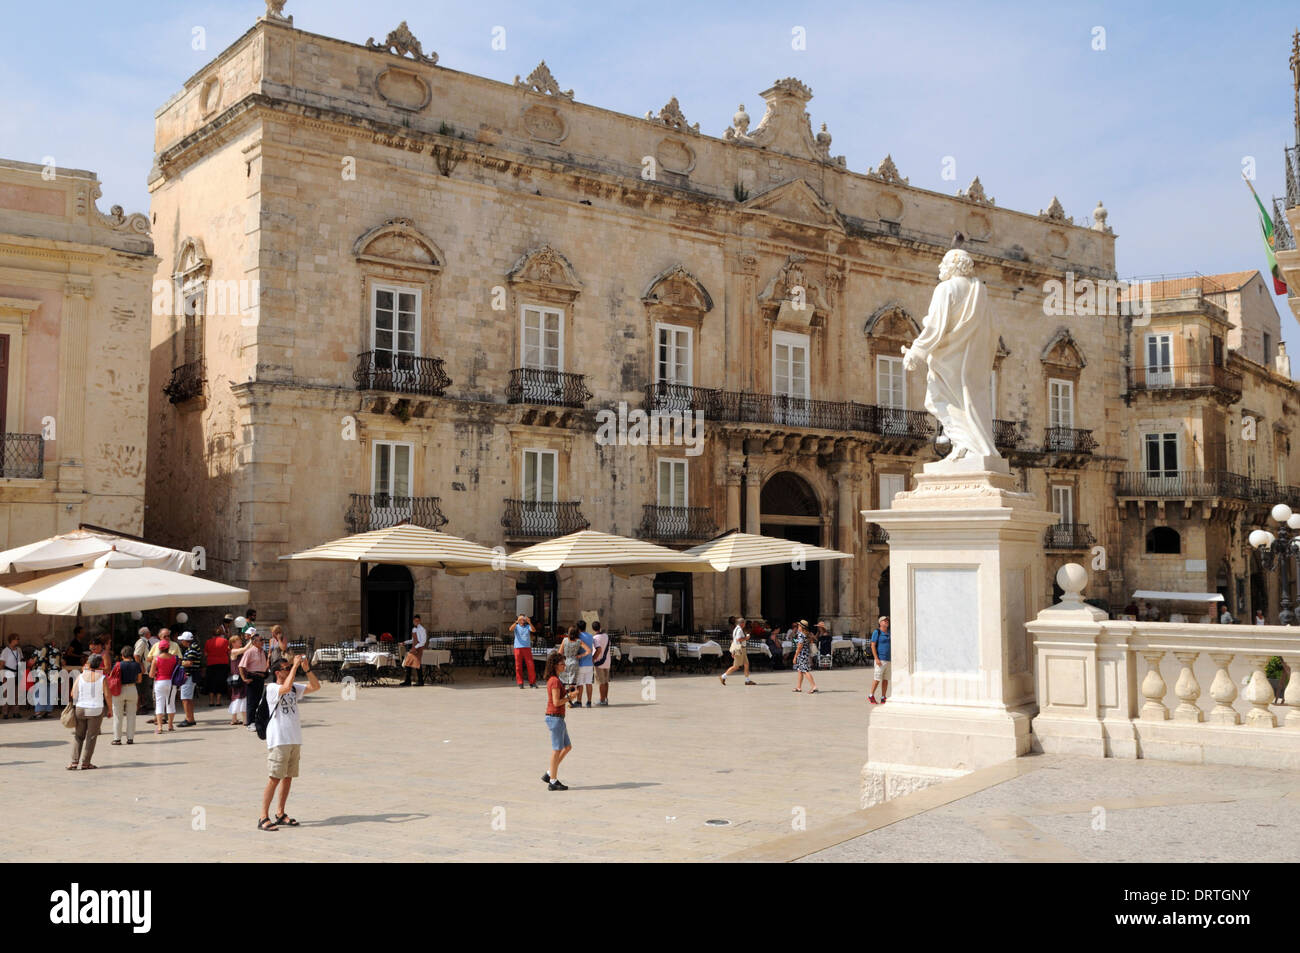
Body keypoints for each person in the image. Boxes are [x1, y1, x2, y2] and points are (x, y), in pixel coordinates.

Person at [258, 654, 321, 831]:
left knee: (287, 777)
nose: (290, 670)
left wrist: (306, 668)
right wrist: (294, 666)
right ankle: (263, 816)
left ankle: (280, 812)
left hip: (294, 738)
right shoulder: (271, 687)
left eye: (290, 668)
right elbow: (284, 688)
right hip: (279, 739)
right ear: (278, 672)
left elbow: (316, 686)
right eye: (286, 668)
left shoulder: (294, 687)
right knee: (274, 777)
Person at [540, 652, 575, 791]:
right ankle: (553, 781)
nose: (564, 666)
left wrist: (567, 692)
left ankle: (549, 773)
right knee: (556, 750)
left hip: (558, 718)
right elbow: (556, 702)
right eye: (562, 664)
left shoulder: (556, 680)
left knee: (567, 747)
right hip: (555, 717)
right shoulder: (554, 680)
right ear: (555, 665)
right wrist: (570, 697)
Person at [68, 656, 106, 770]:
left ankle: (74, 762)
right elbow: (108, 695)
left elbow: (73, 694)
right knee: (91, 736)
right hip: (96, 710)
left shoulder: (80, 676)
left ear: (88, 664)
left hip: (81, 709)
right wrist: (110, 709)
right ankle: (86, 762)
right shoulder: (102, 677)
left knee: (78, 736)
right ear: (99, 665)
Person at [109, 645, 142, 745]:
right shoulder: (136, 665)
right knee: (131, 715)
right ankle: (130, 738)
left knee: (118, 716)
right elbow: (139, 680)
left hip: (119, 690)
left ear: (122, 655)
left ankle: (117, 739)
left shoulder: (118, 664)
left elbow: (111, 677)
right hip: (132, 688)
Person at [149, 635, 180, 733]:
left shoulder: (156, 659)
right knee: (170, 704)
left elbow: (151, 674)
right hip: (171, 683)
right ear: (168, 648)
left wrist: (157, 673)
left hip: (159, 682)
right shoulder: (174, 658)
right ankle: (170, 725)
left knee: (159, 704)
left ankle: (160, 727)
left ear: (159, 648)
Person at [239, 629, 269, 731]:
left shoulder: (263, 652)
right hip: (252, 677)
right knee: (251, 701)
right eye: (260, 640)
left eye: (263, 640)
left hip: (260, 678)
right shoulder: (249, 652)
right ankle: (250, 722)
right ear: (254, 642)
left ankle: (256, 721)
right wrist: (244, 678)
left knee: (258, 700)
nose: (262, 642)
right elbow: (241, 666)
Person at [720, 616, 756, 686]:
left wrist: (733, 651)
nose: (745, 624)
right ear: (742, 623)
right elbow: (738, 639)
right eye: (744, 623)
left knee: (746, 664)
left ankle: (747, 680)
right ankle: (723, 676)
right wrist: (747, 638)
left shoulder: (736, 629)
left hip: (741, 649)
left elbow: (734, 640)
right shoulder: (739, 630)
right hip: (740, 649)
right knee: (736, 666)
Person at [30, 638, 61, 719]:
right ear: (53, 642)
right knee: (51, 692)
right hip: (53, 675)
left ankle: (38, 712)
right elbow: (61, 662)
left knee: (39, 692)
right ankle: (48, 712)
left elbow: (31, 662)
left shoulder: (38, 650)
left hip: (41, 675)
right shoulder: (56, 650)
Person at [178, 632, 203, 726]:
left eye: (182, 640)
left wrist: (179, 663)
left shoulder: (192, 648)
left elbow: (189, 662)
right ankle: (190, 718)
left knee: (185, 698)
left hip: (189, 675)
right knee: (188, 698)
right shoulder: (194, 647)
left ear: (186, 641)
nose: (181, 642)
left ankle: (189, 719)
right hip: (191, 675)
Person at [559, 626, 587, 705]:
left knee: (564, 681)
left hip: (566, 662)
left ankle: (565, 697)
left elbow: (560, 653)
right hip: (574, 662)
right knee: (573, 682)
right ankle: (571, 700)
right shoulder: (579, 641)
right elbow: (588, 650)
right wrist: (580, 655)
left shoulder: (564, 640)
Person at [204, 625, 231, 706]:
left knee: (211, 682)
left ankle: (211, 701)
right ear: (221, 633)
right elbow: (228, 652)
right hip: (222, 663)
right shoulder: (225, 641)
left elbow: (205, 654)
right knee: (220, 682)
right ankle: (218, 701)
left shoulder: (208, 642)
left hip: (211, 663)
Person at [869, 615, 892, 705]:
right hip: (880, 659)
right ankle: (871, 695)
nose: (886, 622)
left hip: (888, 659)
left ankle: (883, 696)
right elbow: (873, 645)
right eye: (884, 621)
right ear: (880, 623)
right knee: (877, 678)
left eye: (887, 621)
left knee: (886, 679)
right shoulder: (877, 632)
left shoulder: (889, 633)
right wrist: (876, 658)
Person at [791, 621, 819, 694]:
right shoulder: (806, 634)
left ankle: (814, 686)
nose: (797, 627)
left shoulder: (801, 635)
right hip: (805, 654)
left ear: (801, 627)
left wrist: (795, 657)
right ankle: (799, 687)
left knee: (805, 671)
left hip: (801, 654)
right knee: (800, 670)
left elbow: (799, 646)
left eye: (799, 626)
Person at [227, 633, 248, 726]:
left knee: (236, 697)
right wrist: (252, 639)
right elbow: (245, 649)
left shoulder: (237, 651)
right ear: (233, 643)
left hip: (238, 677)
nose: (240, 641)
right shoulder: (233, 651)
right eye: (238, 640)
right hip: (238, 678)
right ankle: (245, 720)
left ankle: (234, 719)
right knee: (241, 697)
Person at [511, 614, 537, 689]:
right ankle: (520, 682)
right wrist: (516, 622)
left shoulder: (527, 626)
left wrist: (529, 622)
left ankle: (532, 682)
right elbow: (510, 629)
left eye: (523, 619)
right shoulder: (516, 626)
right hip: (518, 648)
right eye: (521, 619)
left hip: (527, 648)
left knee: (530, 665)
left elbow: (534, 630)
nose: (522, 620)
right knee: (518, 666)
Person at [590, 621, 612, 706]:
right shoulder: (606, 636)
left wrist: (593, 659)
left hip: (599, 662)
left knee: (601, 682)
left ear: (593, 629)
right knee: (606, 681)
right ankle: (605, 698)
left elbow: (597, 651)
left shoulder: (595, 638)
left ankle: (602, 700)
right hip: (607, 661)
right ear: (600, 627)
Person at [401, 615, 427, 687]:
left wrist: (415, 647)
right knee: (408, 663)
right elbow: (413, 640)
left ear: (420, 621)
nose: (416, 622)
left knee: (417, 664)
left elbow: (423, 641)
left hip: (418, 648)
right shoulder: (414, 629)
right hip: (414, 648)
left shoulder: (422, 629)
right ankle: (408, 681)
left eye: (418, 621)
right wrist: (404, 642)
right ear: (413, 621)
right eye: (415, 621)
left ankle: (420, 682)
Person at [1, 634, 22, 718]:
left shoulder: (19, 650)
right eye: (17, 639)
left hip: (17, 674)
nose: (18, 640)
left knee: (17, 694)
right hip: (7, 673)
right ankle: (5, 713)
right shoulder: (5, 651)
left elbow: (21, 661)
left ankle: (16, 712)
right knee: (6, 694)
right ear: (12, 640)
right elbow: (2, 664)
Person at [133, 627, 153, 715]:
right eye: (149, 632)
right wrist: (141, 666)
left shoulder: (145, 642)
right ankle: (139, 707)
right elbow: (136, 655)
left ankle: (144, 706)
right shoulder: (142, 642)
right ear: (146, 634)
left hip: (145, 670)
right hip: (142, 671)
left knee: (144, 689)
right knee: (140, 689)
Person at [576, 623, 596, 707]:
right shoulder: (591, 636)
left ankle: (579, 701)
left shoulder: (578, 636)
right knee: (589, 683)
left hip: (581, 662)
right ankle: (589, 702)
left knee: (580, 683)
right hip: (589, 662)